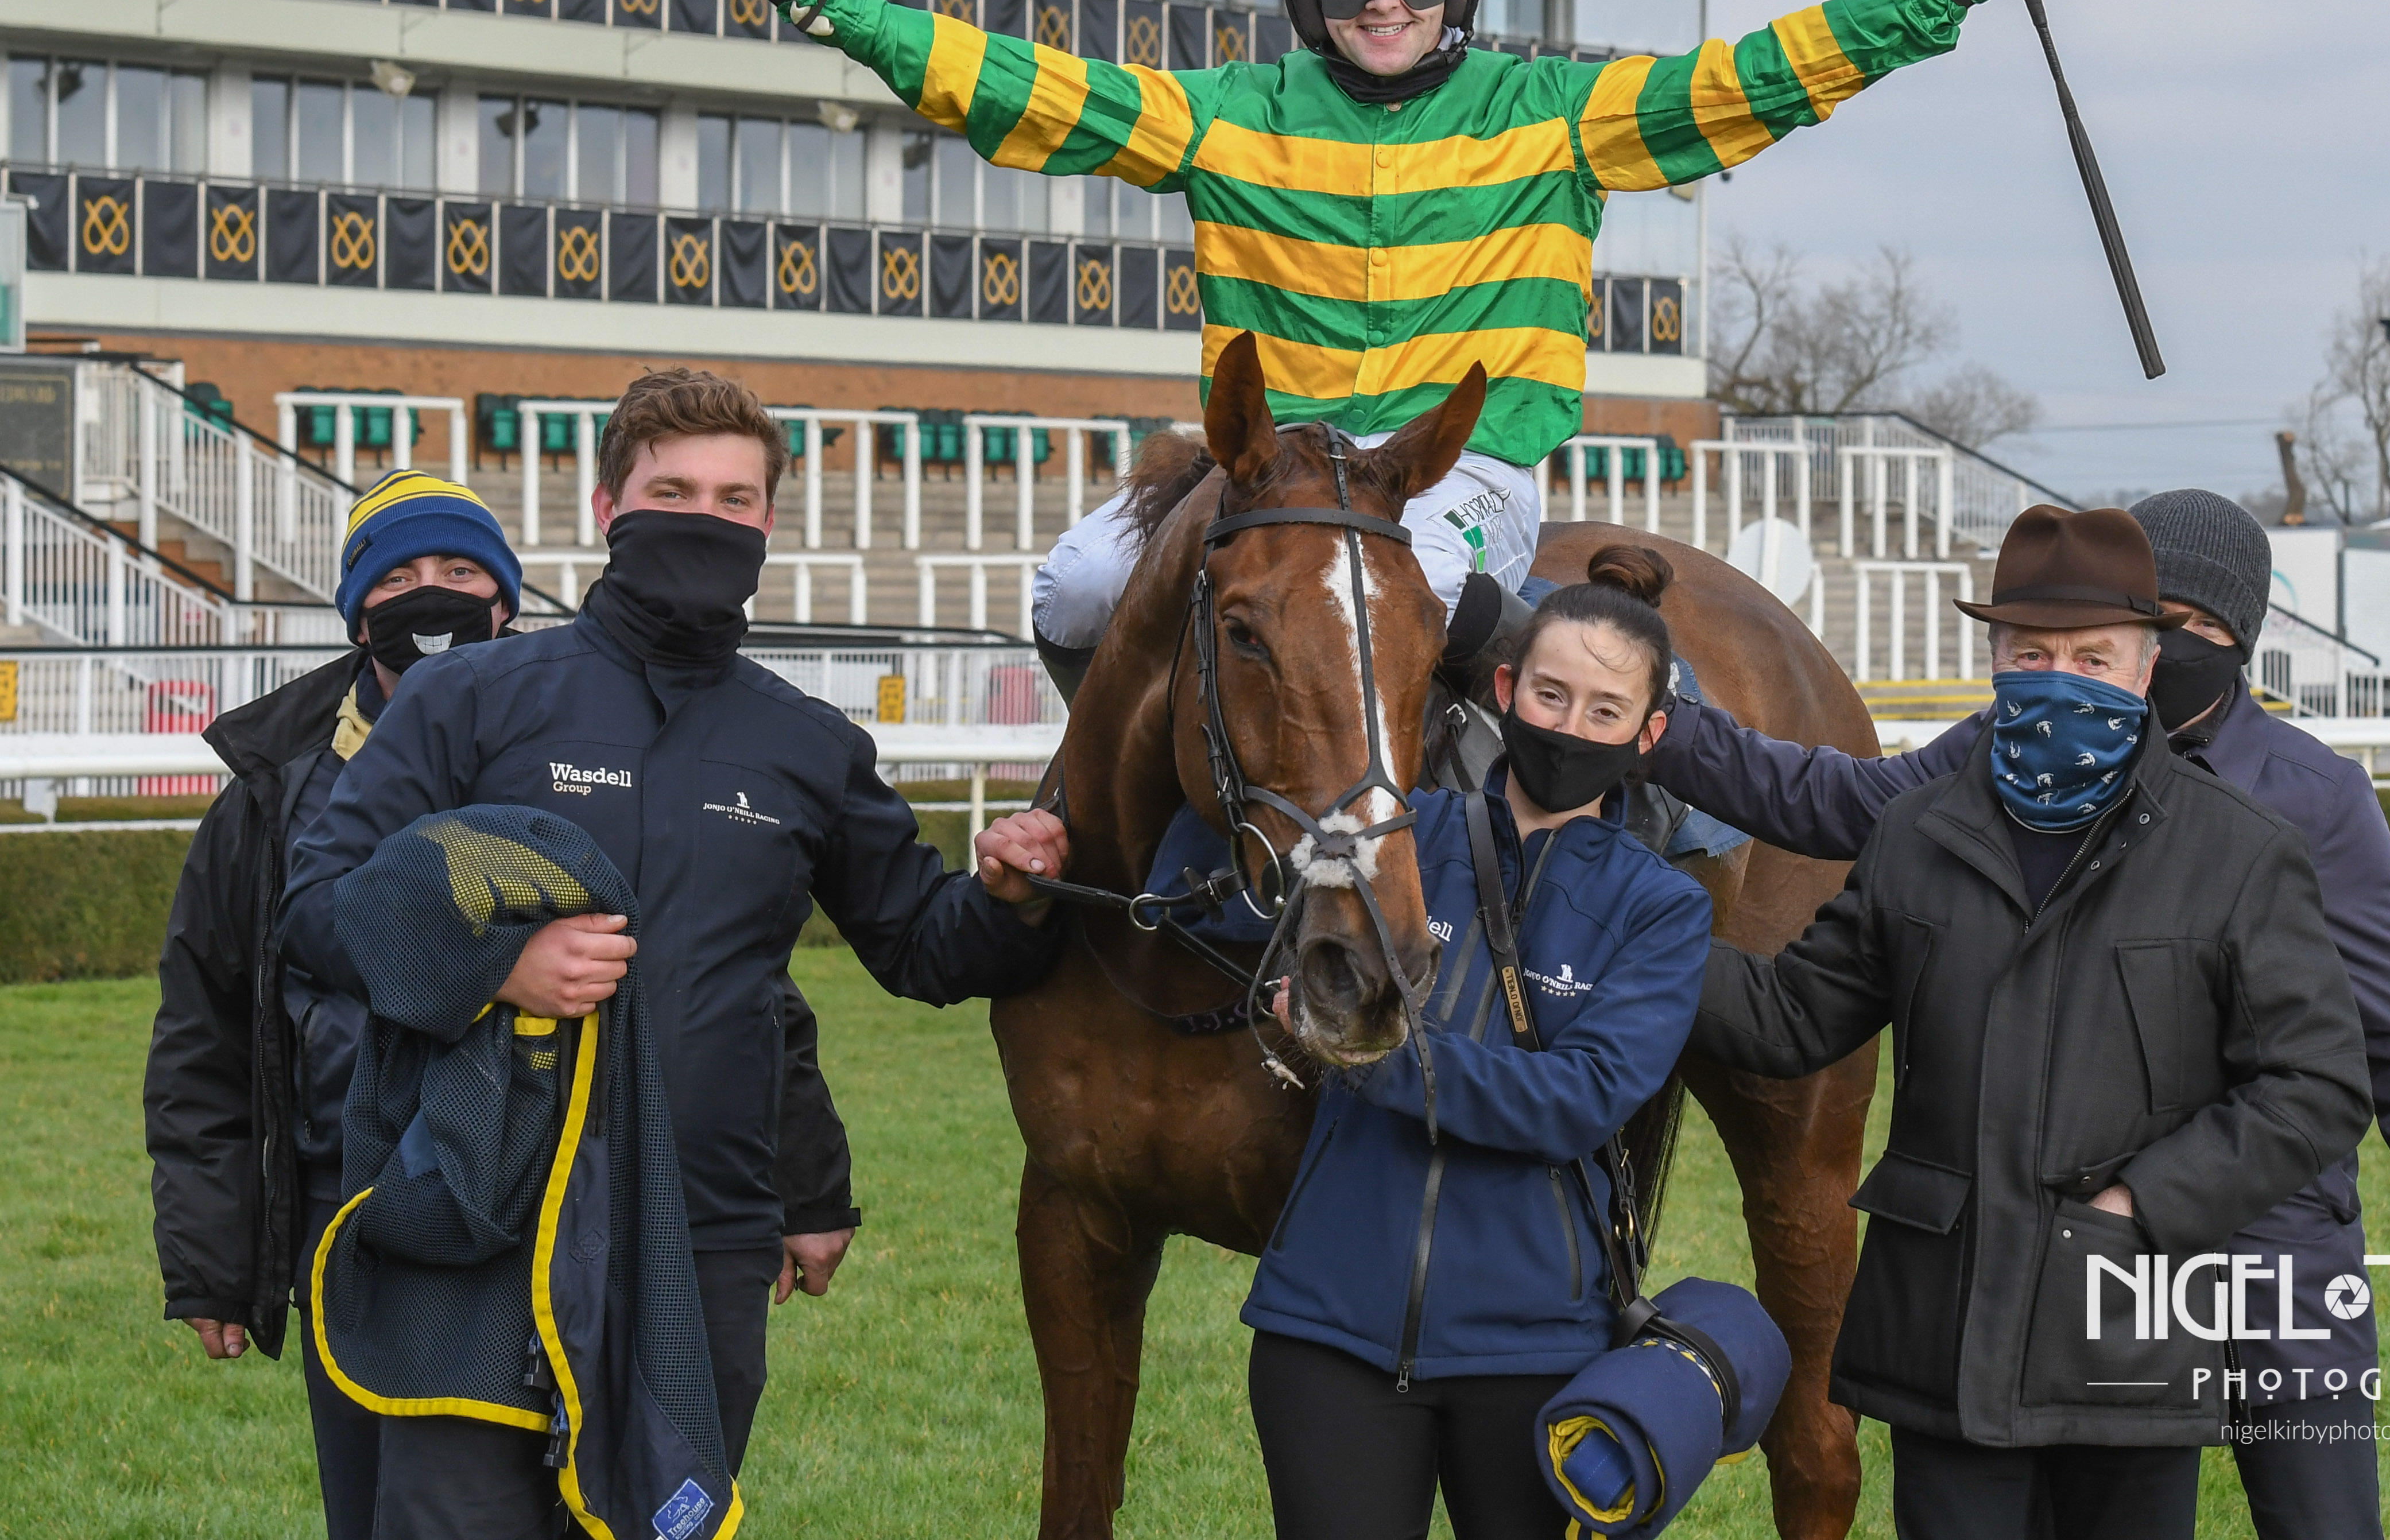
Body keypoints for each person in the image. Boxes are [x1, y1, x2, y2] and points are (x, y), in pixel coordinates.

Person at [730, 0, 2052, 699]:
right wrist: (832, 8)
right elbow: (1024, 88)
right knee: (1075, 587)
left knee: (1408, 599)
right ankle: (1127, 808)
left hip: (1458, 471)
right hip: (1272, 469)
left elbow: (1756, 76)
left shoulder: (1559, 115)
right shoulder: (1223, 117)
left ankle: (1526, 847)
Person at [277, 373, 1059, 1538]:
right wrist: (492, 967)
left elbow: (922, 947)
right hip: (481, 1206)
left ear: (768, 524)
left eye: (734, 497)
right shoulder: (466, 699)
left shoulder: (807, 743)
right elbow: (315, 907)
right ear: (609, 505)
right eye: (674, 490)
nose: (705, 517)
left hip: (704, 1233)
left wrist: (1007, 891)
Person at [1647, 488, 2390, 1539]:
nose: (2074, 673)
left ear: (2203, 646)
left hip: (2270, 1238)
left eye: (2172, 631)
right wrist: (1642, 719)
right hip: (2066, 1250)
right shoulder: (1993, 753)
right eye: (2042, 646)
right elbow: (1832, 804)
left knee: (2321, 1518)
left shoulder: (2313, 798)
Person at [145, 471, 863, 1540]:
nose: (428, 593)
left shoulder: (548, 737)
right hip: (362, 1199)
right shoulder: (269, 790)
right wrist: (211, 1256)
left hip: (561, 1188)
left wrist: (807, 1182)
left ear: (506, 596)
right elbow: (206, 1028)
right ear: (355, 606)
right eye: (398, 575)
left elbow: (732, 980)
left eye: (460, 570)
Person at [977, 549, 1712, 1540]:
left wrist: (1369, 1054)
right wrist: (1038, 870)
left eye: (1604, 710)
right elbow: (1187, 913)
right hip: (1326, 1335)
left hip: (1533, 1348)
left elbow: (1575, 1102)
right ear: (1504, 689)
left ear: (1647, 731)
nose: (1570, 726)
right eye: (1549, 693)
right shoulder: (1388, 836)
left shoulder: (1662, 908)